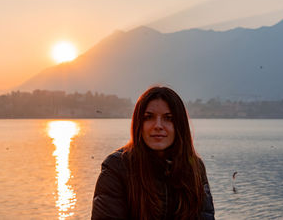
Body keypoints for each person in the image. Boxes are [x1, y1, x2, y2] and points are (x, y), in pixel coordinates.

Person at [91, 86, 215, 220]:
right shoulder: (117, 167)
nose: (158, 125)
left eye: (168, 118)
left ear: (179, 125)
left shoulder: (194, 167)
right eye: (148, 117)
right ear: (139, 124)